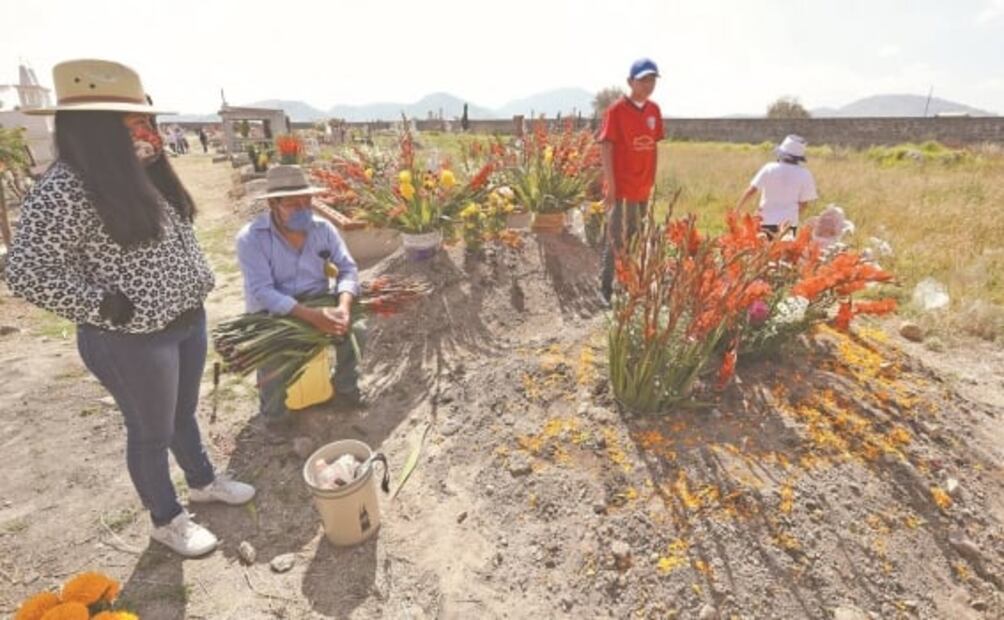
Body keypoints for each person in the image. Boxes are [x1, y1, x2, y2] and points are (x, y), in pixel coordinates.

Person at [5, 59, 254, 558]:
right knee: (149, 430)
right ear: (95, 131)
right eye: (133, 124)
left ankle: (202, 480)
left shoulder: (144, 169)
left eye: (145, 120)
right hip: (131, 337)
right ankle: (166, 517)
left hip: (185, 318)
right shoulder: (66, 188)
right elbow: (25, 270)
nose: (147, 131)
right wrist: (102, 305)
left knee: (181, 413)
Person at [235, 165, 365, 430]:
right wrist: (311, 316)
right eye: (294, 204)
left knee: (357, 329)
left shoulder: (324, 229)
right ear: (273, 203)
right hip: (272, 313)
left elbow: (348, 268)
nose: (304, 209)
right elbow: (262, 290)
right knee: (271, 351)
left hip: (319, 299)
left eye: (308, 201)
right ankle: (274, 416)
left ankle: (345, 388)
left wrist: (343, 306)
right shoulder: (251, 238)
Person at [597, 58, 665, 303]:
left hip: (642, 188)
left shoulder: (654, 111)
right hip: (622, 187)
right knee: (617, 237)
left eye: (652, 80)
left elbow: (653, 147)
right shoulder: (616, 111)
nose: (648, 84)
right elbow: (606, 147)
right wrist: (611, 185)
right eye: (643, 79)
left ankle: (625, 284)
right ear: (630, 82)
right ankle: (604, 288)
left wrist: (652, 181)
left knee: (635, 237)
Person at [736, 134, 818, 238]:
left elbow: (751, 190)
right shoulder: (805, 174)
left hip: (765, 221)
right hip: (788, 226)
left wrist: (737, 210)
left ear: (780, 154)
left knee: (762, 252)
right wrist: (792, 215)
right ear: (798, 158)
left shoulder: (769, 168)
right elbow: (804, 204)